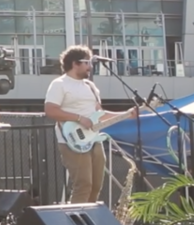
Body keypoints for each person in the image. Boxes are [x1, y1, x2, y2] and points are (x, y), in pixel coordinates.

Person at [44, 45, 136, 204]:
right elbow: (50, 111)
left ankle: (90, 222)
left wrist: (126, 114)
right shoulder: (59, 84)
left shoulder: (90, 86)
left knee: (96, 185)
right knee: (83, 184)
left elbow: (99, 114)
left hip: (93, 139)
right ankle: (75, 224)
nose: (90, 67)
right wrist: (79, 118)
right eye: (87, 62)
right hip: (71, 140)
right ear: (75, 63)